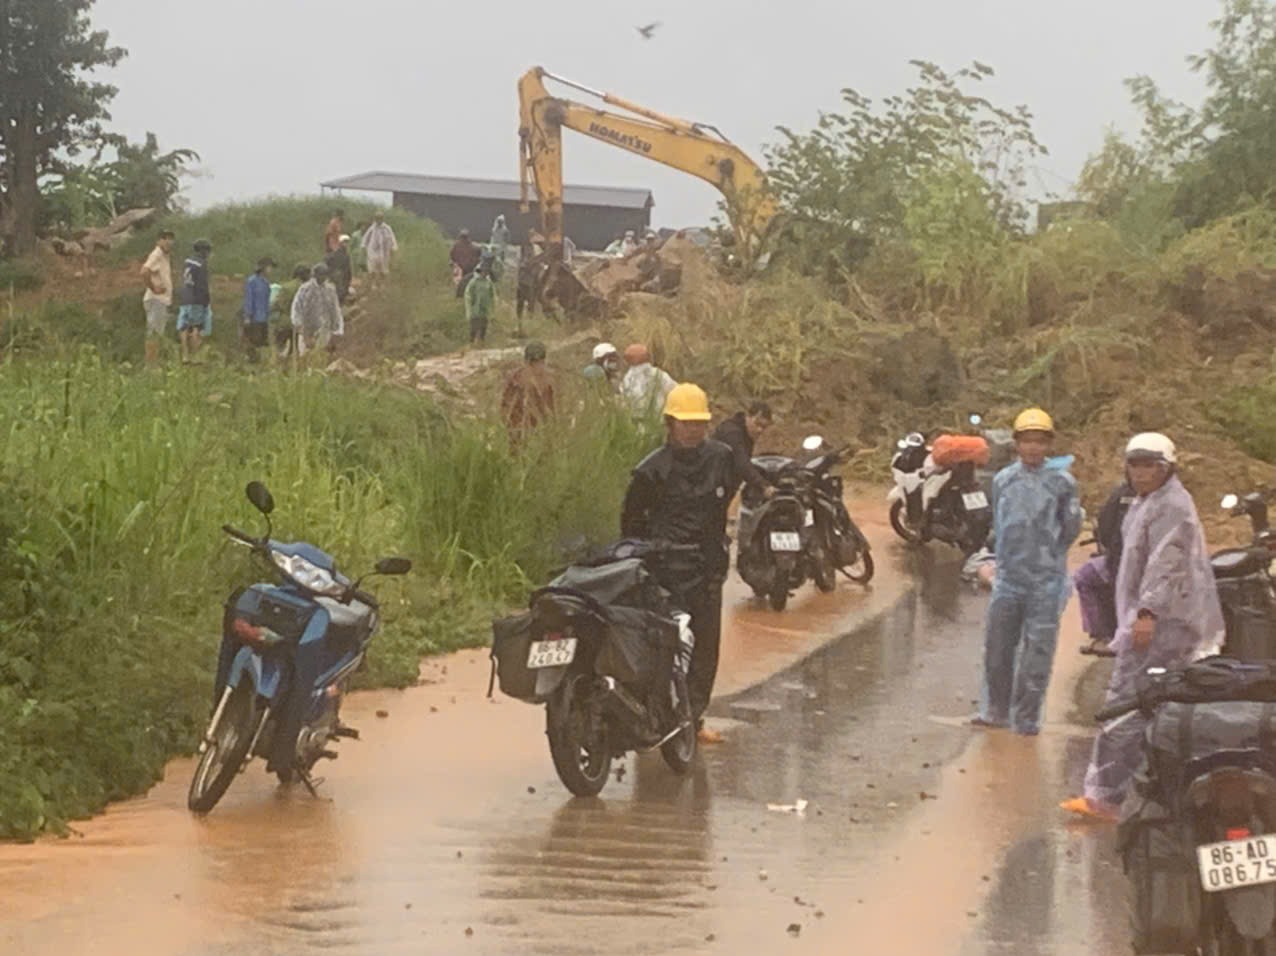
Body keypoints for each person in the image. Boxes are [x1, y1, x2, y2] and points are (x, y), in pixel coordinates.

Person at [1063, 434, 1224, 822]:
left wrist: (1147, 613)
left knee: (1127, 700)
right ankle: (1142, 791)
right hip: (1160, 618)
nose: (1141, 472)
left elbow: (1166, 564)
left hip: (1161, 622)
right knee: (1158, 700)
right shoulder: (1147, 501)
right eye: (1135, 464)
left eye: (1150, 464)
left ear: (1167, 468)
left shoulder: (1170, 506)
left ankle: (1106, 796)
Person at [621, 383, 735, 743]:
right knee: (660, 647)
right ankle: (651, 716)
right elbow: (631, 525)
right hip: (664, 572)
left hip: (707, 569)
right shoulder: (650, 471)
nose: (693, 431)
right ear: (669, 424)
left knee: (704, 649)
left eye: (699, 424)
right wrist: (652, 555)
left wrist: (717, 552)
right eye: (685, 424)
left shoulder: (721, 458)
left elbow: (724, 502)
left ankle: (692, 718)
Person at [973, 408, 1083, 736]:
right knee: (998, 648)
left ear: (1048, 444)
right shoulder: (1004, 480)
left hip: (1045, 581)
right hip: (1009, 578)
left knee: (1037, 653)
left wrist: (1049, 557)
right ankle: (995, 710)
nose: (1033, 448)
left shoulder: (1063, 483)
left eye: (1039, 441)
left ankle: (1027, 719)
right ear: (1016, 444)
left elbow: (1071, 527)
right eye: (1027, 441)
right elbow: (1000, 523)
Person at [1075, 480, 1136, 656]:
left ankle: (1103, 636)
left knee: (1085, 576)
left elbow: (1105, 526)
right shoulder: (1172, 496)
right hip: (1155, 567)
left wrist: (1112, 550)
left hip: (1122, 563)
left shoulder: (1122, 492)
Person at [712, 401, 775, 552]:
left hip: (723, 488)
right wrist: (763, 485)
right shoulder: (732, 433)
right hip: (710, 486)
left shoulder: (746, 434)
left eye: (764, 427)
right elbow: (742, 464)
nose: (760, 430)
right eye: (757, 424)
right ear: (748, 416)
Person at [501, 341, 556, 443]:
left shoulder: (514, 377)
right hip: (523, 431)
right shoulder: (518, 379)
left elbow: (505, 406)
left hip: (525, 432)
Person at [290, 262, 344, 357]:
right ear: (314, 275)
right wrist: (302, 331)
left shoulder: (330, 290)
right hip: (306, 331)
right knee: (306, 359)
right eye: (320, 274)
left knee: (322, 359)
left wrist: (337, 331)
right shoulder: (305, 289)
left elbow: (335, 310)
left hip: (325, 330)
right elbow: (296, 310)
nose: (322, 277)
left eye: (325, 274)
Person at [140, 229, 175, 365]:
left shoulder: (165, 256)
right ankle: (151, 365)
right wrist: (153, 287)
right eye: (165, 238)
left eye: (171, 238)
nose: (168, 241)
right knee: (154, 332)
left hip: (161, 301)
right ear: (159, 241)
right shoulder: (157, 254)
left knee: (158, 332)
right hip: (156, 300)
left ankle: (154, 362)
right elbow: (144, 271)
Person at [177, 239, 213, 364]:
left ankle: (185, 355)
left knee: (184, 327)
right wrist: (206, 300)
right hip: (197, 299)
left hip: (185, 297)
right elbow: (202, 285)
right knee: (196, 327)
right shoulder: (201, 264)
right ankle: (195, 356)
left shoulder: (187, 262)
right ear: (203, 251)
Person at [620, 343, 678, 418]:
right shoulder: (658, 374)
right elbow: (675, 391)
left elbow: (624, 404)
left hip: (638, 423)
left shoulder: (627, 379)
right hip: (661, 421)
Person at [241, 257, 274, 362]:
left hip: (264, 317)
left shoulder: (266, 283)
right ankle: (251, 360)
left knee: (262, 342)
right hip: (254, 317)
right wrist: (247, 316)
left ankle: (259, 361)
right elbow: (249, 299)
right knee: (253, 341)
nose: (270, 270)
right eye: (269, 267)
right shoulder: (252, 281)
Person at [464, 261, 496, 346]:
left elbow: (492, 295)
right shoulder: (473, 282)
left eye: (486, 271)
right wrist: (469, 309)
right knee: (473, 327)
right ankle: (471, 343)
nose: (485, 273)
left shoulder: (488, 282)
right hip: (475, 309)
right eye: (484, 271)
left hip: (485, 309)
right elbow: (468, 295)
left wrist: (492, 309)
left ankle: (481, 343)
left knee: (483, 327)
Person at [362, 211, 398, 283]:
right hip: (373, 251)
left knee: (384, 269)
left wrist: (394, 247)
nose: (378, 220)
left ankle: (382, 284)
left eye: (380, 218)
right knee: (372, 269)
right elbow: (365, 238)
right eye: (377, 218)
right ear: (375, 219)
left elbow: (392, 238)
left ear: (382, 219)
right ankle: (373, 284)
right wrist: (363, 246)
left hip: (384, 251)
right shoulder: (372, 228)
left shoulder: (387, 228)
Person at [516, 241, 543, 325]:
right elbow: (521, 267)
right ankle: (519, 321)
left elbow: (538, 269)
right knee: (520, 302)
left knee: (531, 303)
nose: (529, 252)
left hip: (531, 284)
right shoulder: (522, 257)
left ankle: (529, 321)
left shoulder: (536, 254)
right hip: (523, 282)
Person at [451, 229, 482, 297]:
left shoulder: (456, 246)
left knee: (461, 282)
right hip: (468, 268)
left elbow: (452, 256)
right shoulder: (473, 246)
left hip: (463, 268)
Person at [326, 235, 353, 304]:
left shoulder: (346, 255)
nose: (346, 244)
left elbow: (348, 268)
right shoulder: (335, 254)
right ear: (340, 243)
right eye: (344, 242)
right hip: (337, 277)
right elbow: (328, 263)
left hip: (344, 277)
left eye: (347, 242)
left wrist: (349, 278)